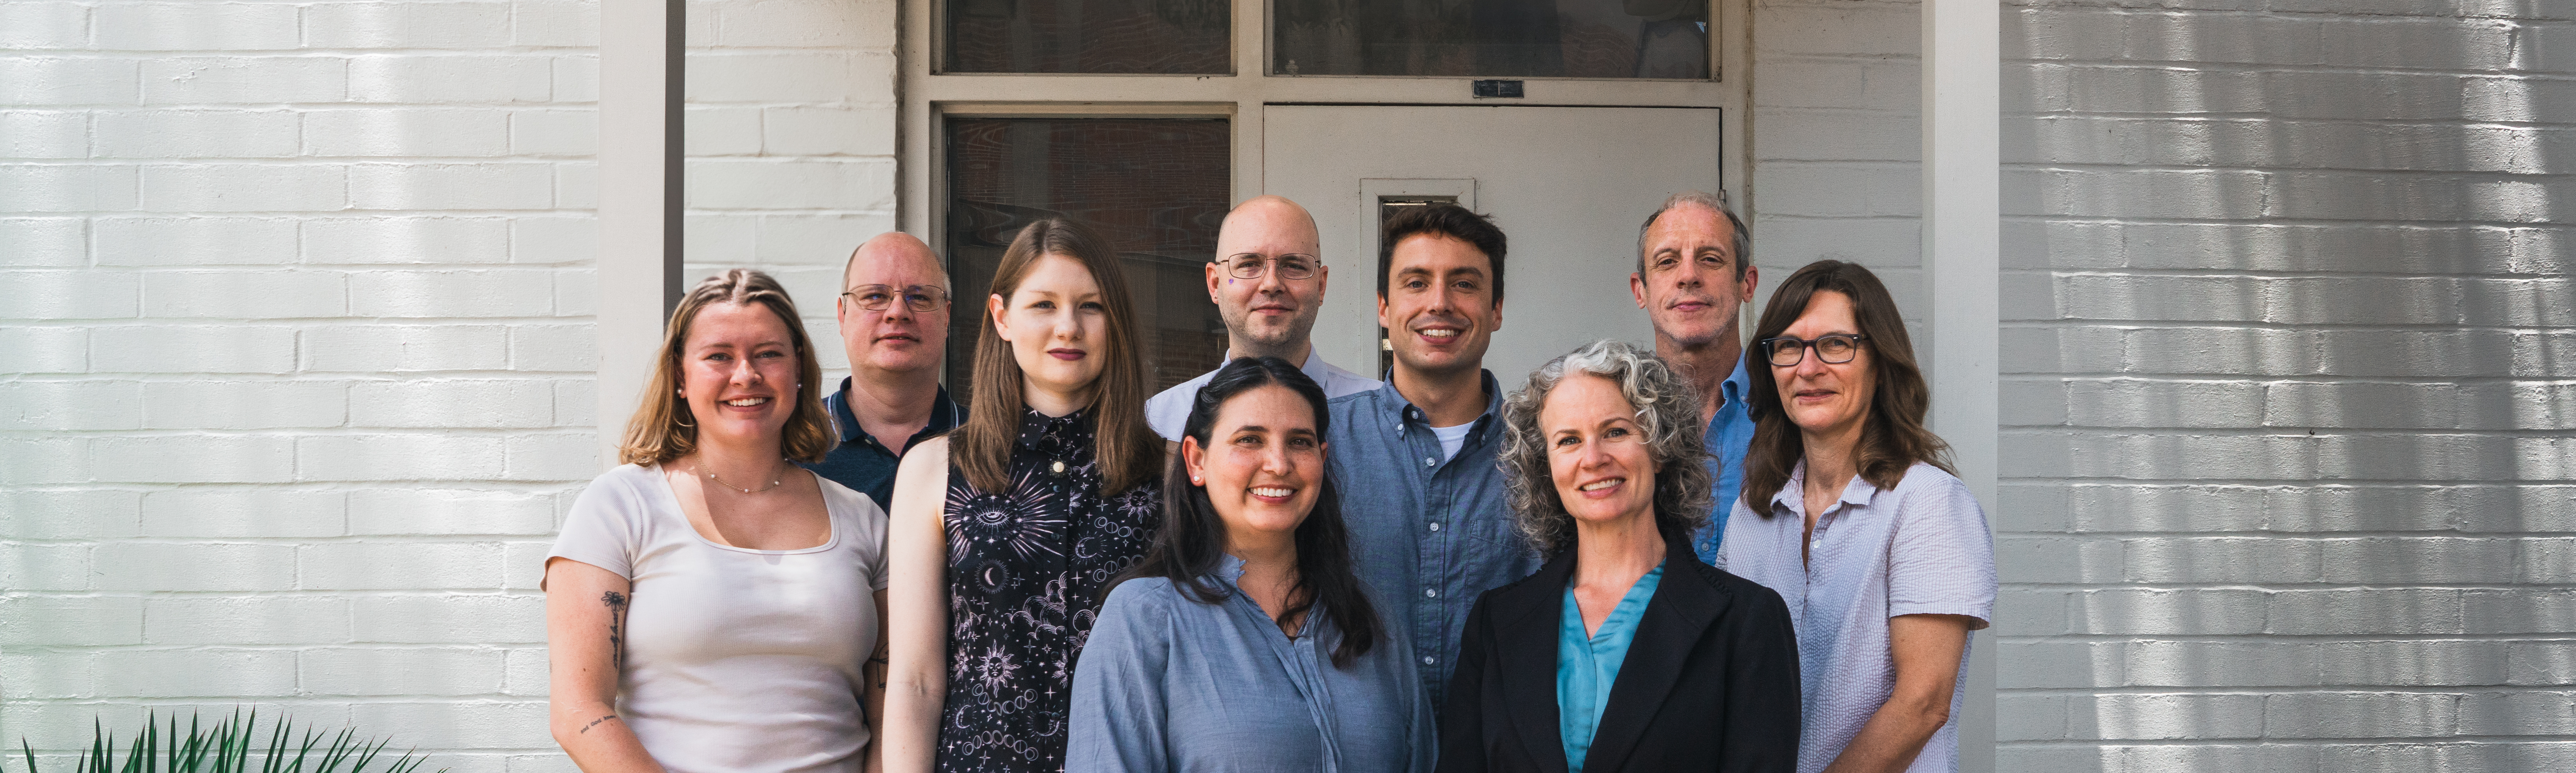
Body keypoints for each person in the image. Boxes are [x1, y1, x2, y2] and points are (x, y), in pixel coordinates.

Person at [544, 269, 891, 772]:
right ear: (681, 377)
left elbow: (893, 713)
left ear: (799, 370)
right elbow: (578, 711)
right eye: (719, 356)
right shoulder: (619, 505)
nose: (745, 373)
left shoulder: (861, 517)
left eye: (769, 353)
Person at [881, 218, 1168, 773]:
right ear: (1001, 316)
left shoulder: (1172, 473)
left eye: (1091, 306)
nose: (1068, 326)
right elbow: (915, 680)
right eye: (1043, 305)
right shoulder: (934, 470)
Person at [1438, 339, 1801, 773]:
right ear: (1546, 469)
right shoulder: (1494, 623)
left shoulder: (1747, 621)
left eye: (1615, 431)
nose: (1593, 458)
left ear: (1660, 448)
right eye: (1568, 440)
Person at [1068, 357, 1434, 773]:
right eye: (1249, 439)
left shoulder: (1369, 616)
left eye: (1299, 441)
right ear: (1196, 460)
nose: (1278, 463)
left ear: (1322, 457)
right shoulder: (1143, 618)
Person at [1715, 261, 1996, 773]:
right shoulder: (1751, 512)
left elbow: (1922, 704)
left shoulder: (1928, 503)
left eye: (1834, 344)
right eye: (1788, 346)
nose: (1807, 367)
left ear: (1879, 360)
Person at [1327, 203, 1535, 711]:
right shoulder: (1321, 440)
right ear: (1382, 306)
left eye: (1463, 283)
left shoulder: (1547, 451)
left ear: (1497, 308)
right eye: (1416, 283)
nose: (1438, 303)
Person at [1146, 195, 1381, 444]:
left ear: (1321, 286)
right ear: (1215, 284)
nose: (1271, 284)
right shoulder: (1161, 423)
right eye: (1249, 264)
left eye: (1294, 266)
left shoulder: (1386, 421)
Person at [1630, 191, 1761, 563]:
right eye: (1667, 261)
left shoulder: (1791, 408)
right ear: (1641, 290)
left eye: (1710, 259)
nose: (1688, 276)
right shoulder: (1613, 419)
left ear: (1747, 284)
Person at [804, 232, 965, 511]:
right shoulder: (792, 443)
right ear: (842, 315)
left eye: (920, 297)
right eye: (875, 296)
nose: (897, 312)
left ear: (946, 317)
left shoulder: (991, 445)